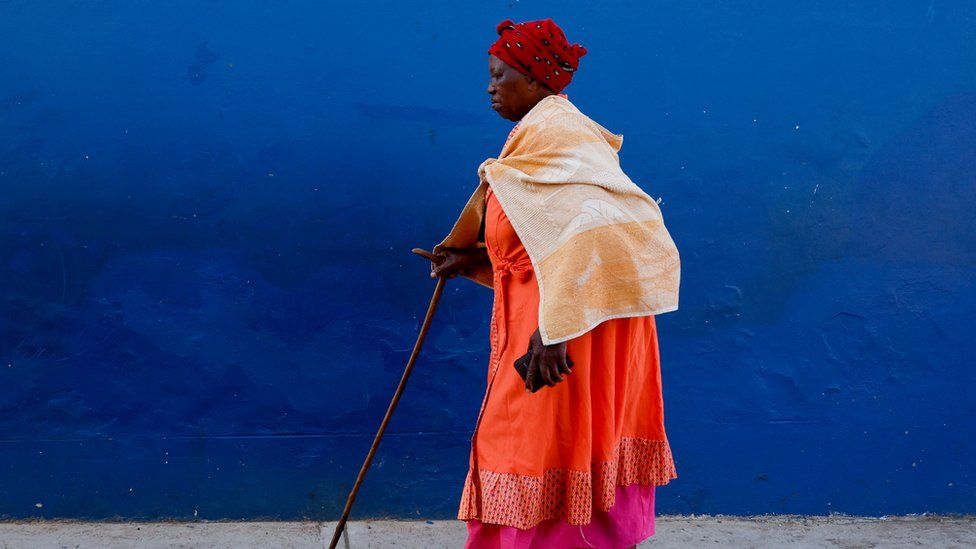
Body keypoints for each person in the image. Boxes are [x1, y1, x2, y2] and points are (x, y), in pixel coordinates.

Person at [430, 18, 681, 549]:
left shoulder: (562, 138)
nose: (490, 86)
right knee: (534, 441)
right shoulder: (538, 142)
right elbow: (547, 239)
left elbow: (604, 231)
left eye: (501, 75)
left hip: (564, 338)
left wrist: (552, 332)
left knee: (537, 443)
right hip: (554, 322)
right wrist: (473, 257)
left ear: (538, 82)